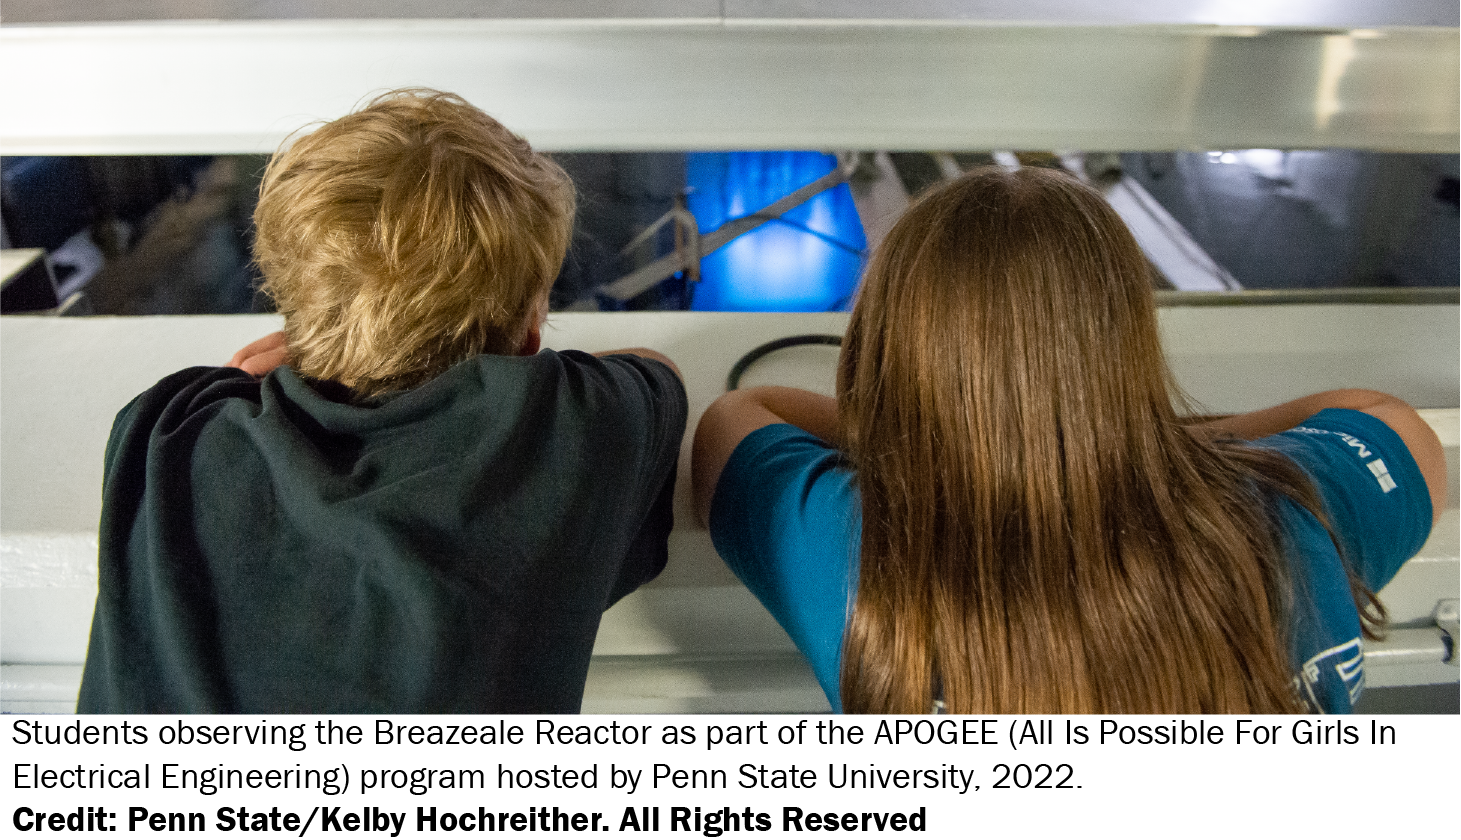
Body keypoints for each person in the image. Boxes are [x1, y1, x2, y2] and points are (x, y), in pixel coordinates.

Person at [693, 168, 1445, 714]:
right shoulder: (1287, 513)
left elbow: (738, 413)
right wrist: (1129, 433)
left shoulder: (850, 544)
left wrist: (930, 435)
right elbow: (1382, 414)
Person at [78, 90, 687, 713]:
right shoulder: (576, 429)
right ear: (531, 335)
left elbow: (239, 375)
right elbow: (657, 373)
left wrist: (322, 344)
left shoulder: (163, 433)